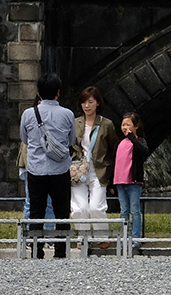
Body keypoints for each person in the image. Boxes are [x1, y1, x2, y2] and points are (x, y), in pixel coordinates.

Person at [21, 73, 74, 258]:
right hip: (60, 170)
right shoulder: (68, 114)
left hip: (36, 169)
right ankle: (61, 252)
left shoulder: (28, 114)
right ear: (58, 93)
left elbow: (24, 139)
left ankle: (37, 251)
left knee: (36, 212)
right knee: (61, 212)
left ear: (39, 93)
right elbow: (71, 140)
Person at [70, 86, 115, 236]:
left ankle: (102, 236)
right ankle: (83, 237)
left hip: (99, 170)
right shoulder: (74, 123)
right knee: (79, 208)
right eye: (84, 102)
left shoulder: (106, 124)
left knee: (97, 207)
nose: (87, 106)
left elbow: (114, 147)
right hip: (78, 170)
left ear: (97, 103)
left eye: (90, 102)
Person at [113, 112, 149, 251]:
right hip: (120, 182)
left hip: (133, 182)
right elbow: (115, 163)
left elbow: (143, 150)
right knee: (123, 211)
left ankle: (136, 238)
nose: (125, 127)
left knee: (135, 211)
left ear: (136, 126)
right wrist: (112, 183)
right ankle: (124, 238)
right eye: (123, 124)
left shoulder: (139, 141)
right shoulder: (120, 143)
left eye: (128, 124)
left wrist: (132, 137)